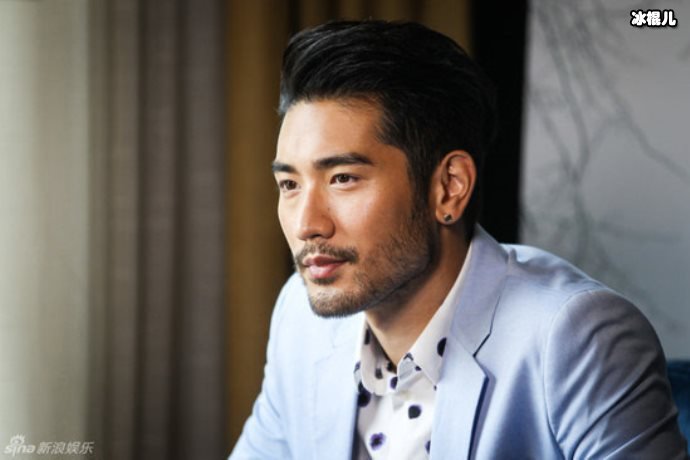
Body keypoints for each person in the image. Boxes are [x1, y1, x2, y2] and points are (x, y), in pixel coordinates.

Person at [230, 20, 688, 459]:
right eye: (289, 184)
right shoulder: (301, 317)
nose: (306, 224)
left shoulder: (577, 338)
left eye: (343, 178)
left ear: (449, 187)